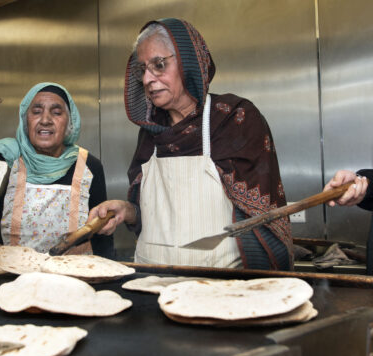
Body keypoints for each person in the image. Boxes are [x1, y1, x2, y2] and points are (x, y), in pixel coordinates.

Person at [88, 18, 292, 270]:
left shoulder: (233, 119)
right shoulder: (150, 133)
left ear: (189, 62)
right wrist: (127, 210)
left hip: (221, 287)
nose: (148, 79)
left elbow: (261, 217)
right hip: (151, 281)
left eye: (159, 65)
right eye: (143, 70)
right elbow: (153, 215)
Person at [0, 82, 115, 258]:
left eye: (57, 113)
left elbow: (101, 233)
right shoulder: (4, 159)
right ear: (25, 120)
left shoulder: (89, 166)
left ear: (70, 122)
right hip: (11, 276)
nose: (45, 120)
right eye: (36, 112)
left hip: (73, 276)